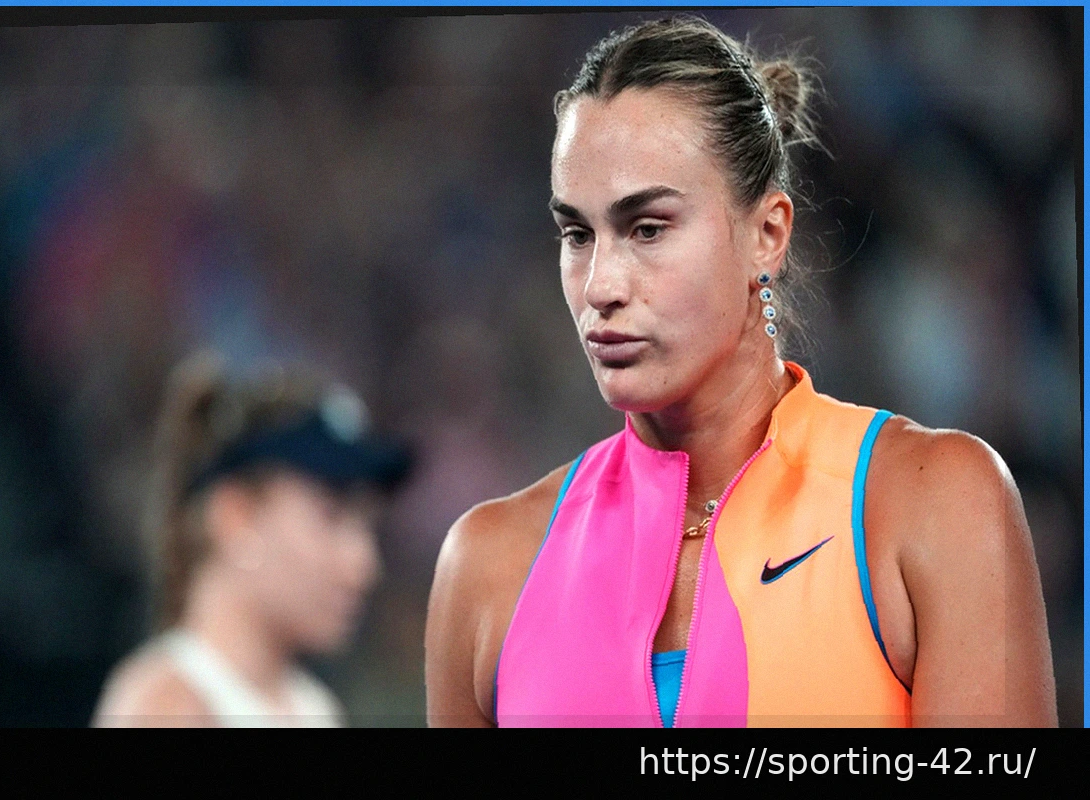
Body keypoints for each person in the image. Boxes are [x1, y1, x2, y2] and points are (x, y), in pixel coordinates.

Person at [424, 16, 1057, 727]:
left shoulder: (938, 507)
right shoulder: (486, 570)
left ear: (768, 234)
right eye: (577, 233)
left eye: (648, 228)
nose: (600, 285)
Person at [94, 352, 411, 727]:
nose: (364, 564)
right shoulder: (167, 708)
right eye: (330, 516)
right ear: (236, 517)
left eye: (367, 526)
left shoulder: (313, 706)